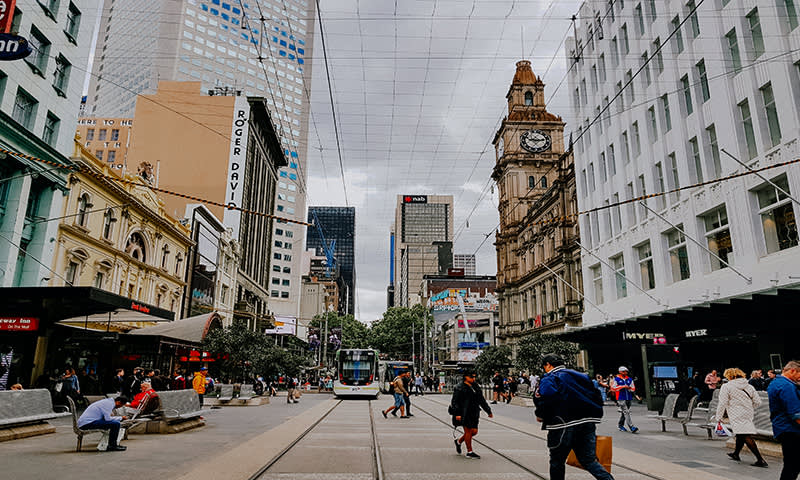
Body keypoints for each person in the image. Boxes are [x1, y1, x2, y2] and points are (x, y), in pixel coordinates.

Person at [534, 354, 613, 480]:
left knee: (557, 461)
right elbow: (596, 395)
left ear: (548, 365)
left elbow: (547, 397)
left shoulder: (550, 377)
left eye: (545, 367)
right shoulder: (582, 376)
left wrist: (540, 415)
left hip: (563, 424)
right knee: (588, 460)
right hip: (587, 422)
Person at [716, 368, 768, 467]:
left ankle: (760, 459)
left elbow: (723, 403)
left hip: (735, 413)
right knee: (741, 434)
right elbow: (758, 402)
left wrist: (719, 416)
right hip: (748, 413)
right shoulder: (749, 386)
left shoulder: (726, 387)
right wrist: (748, 407)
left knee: (745, 435)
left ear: (730, 376)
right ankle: (736, 454)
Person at [768, 360, 800, 480]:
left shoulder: (776, 382)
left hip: (782, 428)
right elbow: (796, 414)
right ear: (792, 371)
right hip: (791, 429)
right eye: (799, 374)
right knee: (793, 465)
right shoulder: (787, 386)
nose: (799, 378)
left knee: (791, 464)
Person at [450, 370, 492, 459]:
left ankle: (459, 441)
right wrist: (457, 413)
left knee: (474, 431)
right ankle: (470, 452)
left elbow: (481, 399)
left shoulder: (475, 386)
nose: (474, 378)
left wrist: (488, 410)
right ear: (466, 377)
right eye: (471, 377)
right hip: (464, 412)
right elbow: (454, 401)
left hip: (474, 411)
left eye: (474, 377)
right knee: (468, 431)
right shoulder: (459, 387)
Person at [610, 366, 638, 433]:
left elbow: (633, 388)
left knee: (624, 413)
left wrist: (629, 389)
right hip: (620, 398)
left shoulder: (630, 379)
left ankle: (620, 425)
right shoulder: (616, 379)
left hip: (628, 398)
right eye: (623, 371)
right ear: (620, 372)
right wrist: (622, 387)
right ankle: (632, 427)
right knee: (626, 412)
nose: (625, 372)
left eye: (626, 371)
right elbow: (613, 388)